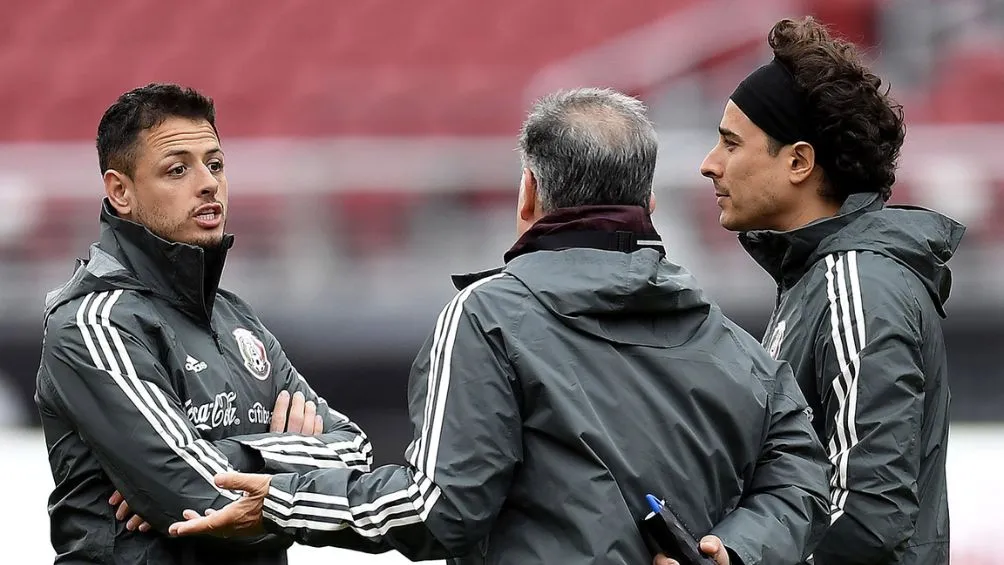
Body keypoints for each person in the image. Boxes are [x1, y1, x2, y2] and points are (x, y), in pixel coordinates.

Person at [167, 87, 831, 565]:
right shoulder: (741, 349)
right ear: (649, 207)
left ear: (529, 195)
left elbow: (438, 508)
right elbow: (805, 477)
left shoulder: (485, 318)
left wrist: (285, 501)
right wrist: (735, 549)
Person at [34, 83, 373, 565]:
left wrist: (243, 457)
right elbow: (204, 500)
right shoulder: (94, 324)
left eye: (214, 164)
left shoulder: (238, 319)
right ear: (120, 191)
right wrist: (298, 462)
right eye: (178, 169)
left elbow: (356, 455)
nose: (208, 183)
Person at [694, 17, 965, 565]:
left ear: (798, 161)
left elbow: (865, 515)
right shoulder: (821, 279)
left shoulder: (859, 285)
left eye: (730, 143)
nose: (710, 164)